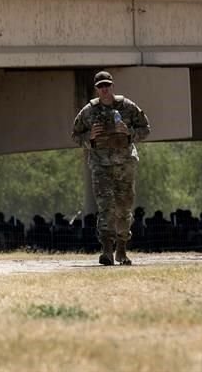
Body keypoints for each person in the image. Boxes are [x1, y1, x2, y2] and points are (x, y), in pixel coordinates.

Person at [72, 70, 150, 266]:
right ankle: (107, 250)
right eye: (100, 87)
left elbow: (146, 129)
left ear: (112, 86)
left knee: (124, 208)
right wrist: (89, 136)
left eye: (107, 85)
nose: (104, 90)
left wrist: (129, 132)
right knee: (106, 208)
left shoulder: (128, 107)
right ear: (96, 89)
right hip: (101, 166)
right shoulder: (88, 112)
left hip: (125, 164)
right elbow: (75, 135)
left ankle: (122, 250)